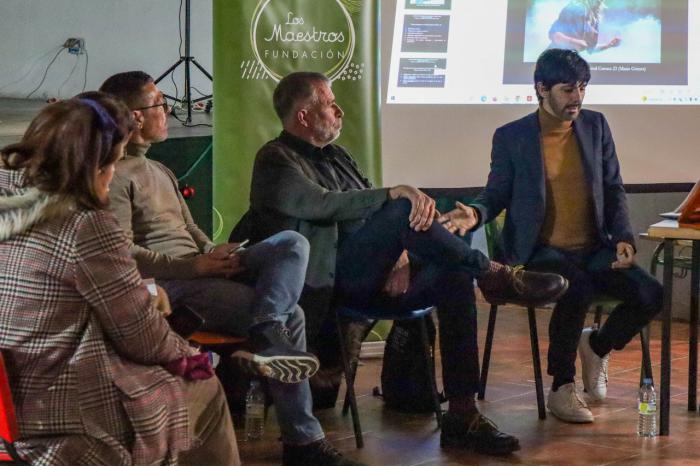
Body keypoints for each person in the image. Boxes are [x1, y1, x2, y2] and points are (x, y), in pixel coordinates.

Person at [240, 71, 571, 456]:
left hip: (373, 273)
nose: (339, 110)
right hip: (326, 284)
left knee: (453, 274)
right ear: (303, 117)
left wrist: (399, 253)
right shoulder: (274, 159)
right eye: (330, 103)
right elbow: (323, 203)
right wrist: (394, 195)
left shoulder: (338, 155)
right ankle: (492, 273)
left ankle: (463, 415)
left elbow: (369, 219)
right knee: (400, 205)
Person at [100, 72, 364, 466]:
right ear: (134, 116)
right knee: (293, 316)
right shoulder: (116, 177)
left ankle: (265, 324)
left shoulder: (160, 171)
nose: (168, 111)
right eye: (159, 104)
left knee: (292, 244)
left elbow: (191, 230)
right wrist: (196, 265)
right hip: (178, 285)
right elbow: (123, 255)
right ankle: (303, 442)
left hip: (203, 268)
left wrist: (213, 250)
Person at [0, 94, 238, 465]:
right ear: (95, 165)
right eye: (114, 162)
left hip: (8, 413)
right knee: (205, 390)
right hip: (68, 420)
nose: (113, 176)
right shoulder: (84, 226)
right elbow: (142, 338)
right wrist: (191, 357)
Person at [439, 49, 663, 423]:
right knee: (574, 286)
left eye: (582, 88)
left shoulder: (596, 126)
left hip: (593, 247)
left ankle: (597, 345)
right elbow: (495, 194)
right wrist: (475, 214)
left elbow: (613, 187)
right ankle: (562, 386)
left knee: (650, 293)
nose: (577, 97)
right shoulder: (512, 137)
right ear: (541, 89)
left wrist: (623, 236)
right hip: (539, 251)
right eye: (567, 89)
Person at [548, 0, 621, 53]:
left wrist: (608, 45)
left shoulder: (595, 19)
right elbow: (554, 35)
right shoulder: (574, 7)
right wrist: (573, 42)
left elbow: (590, 48)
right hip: (554, 59)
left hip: (570, 62)